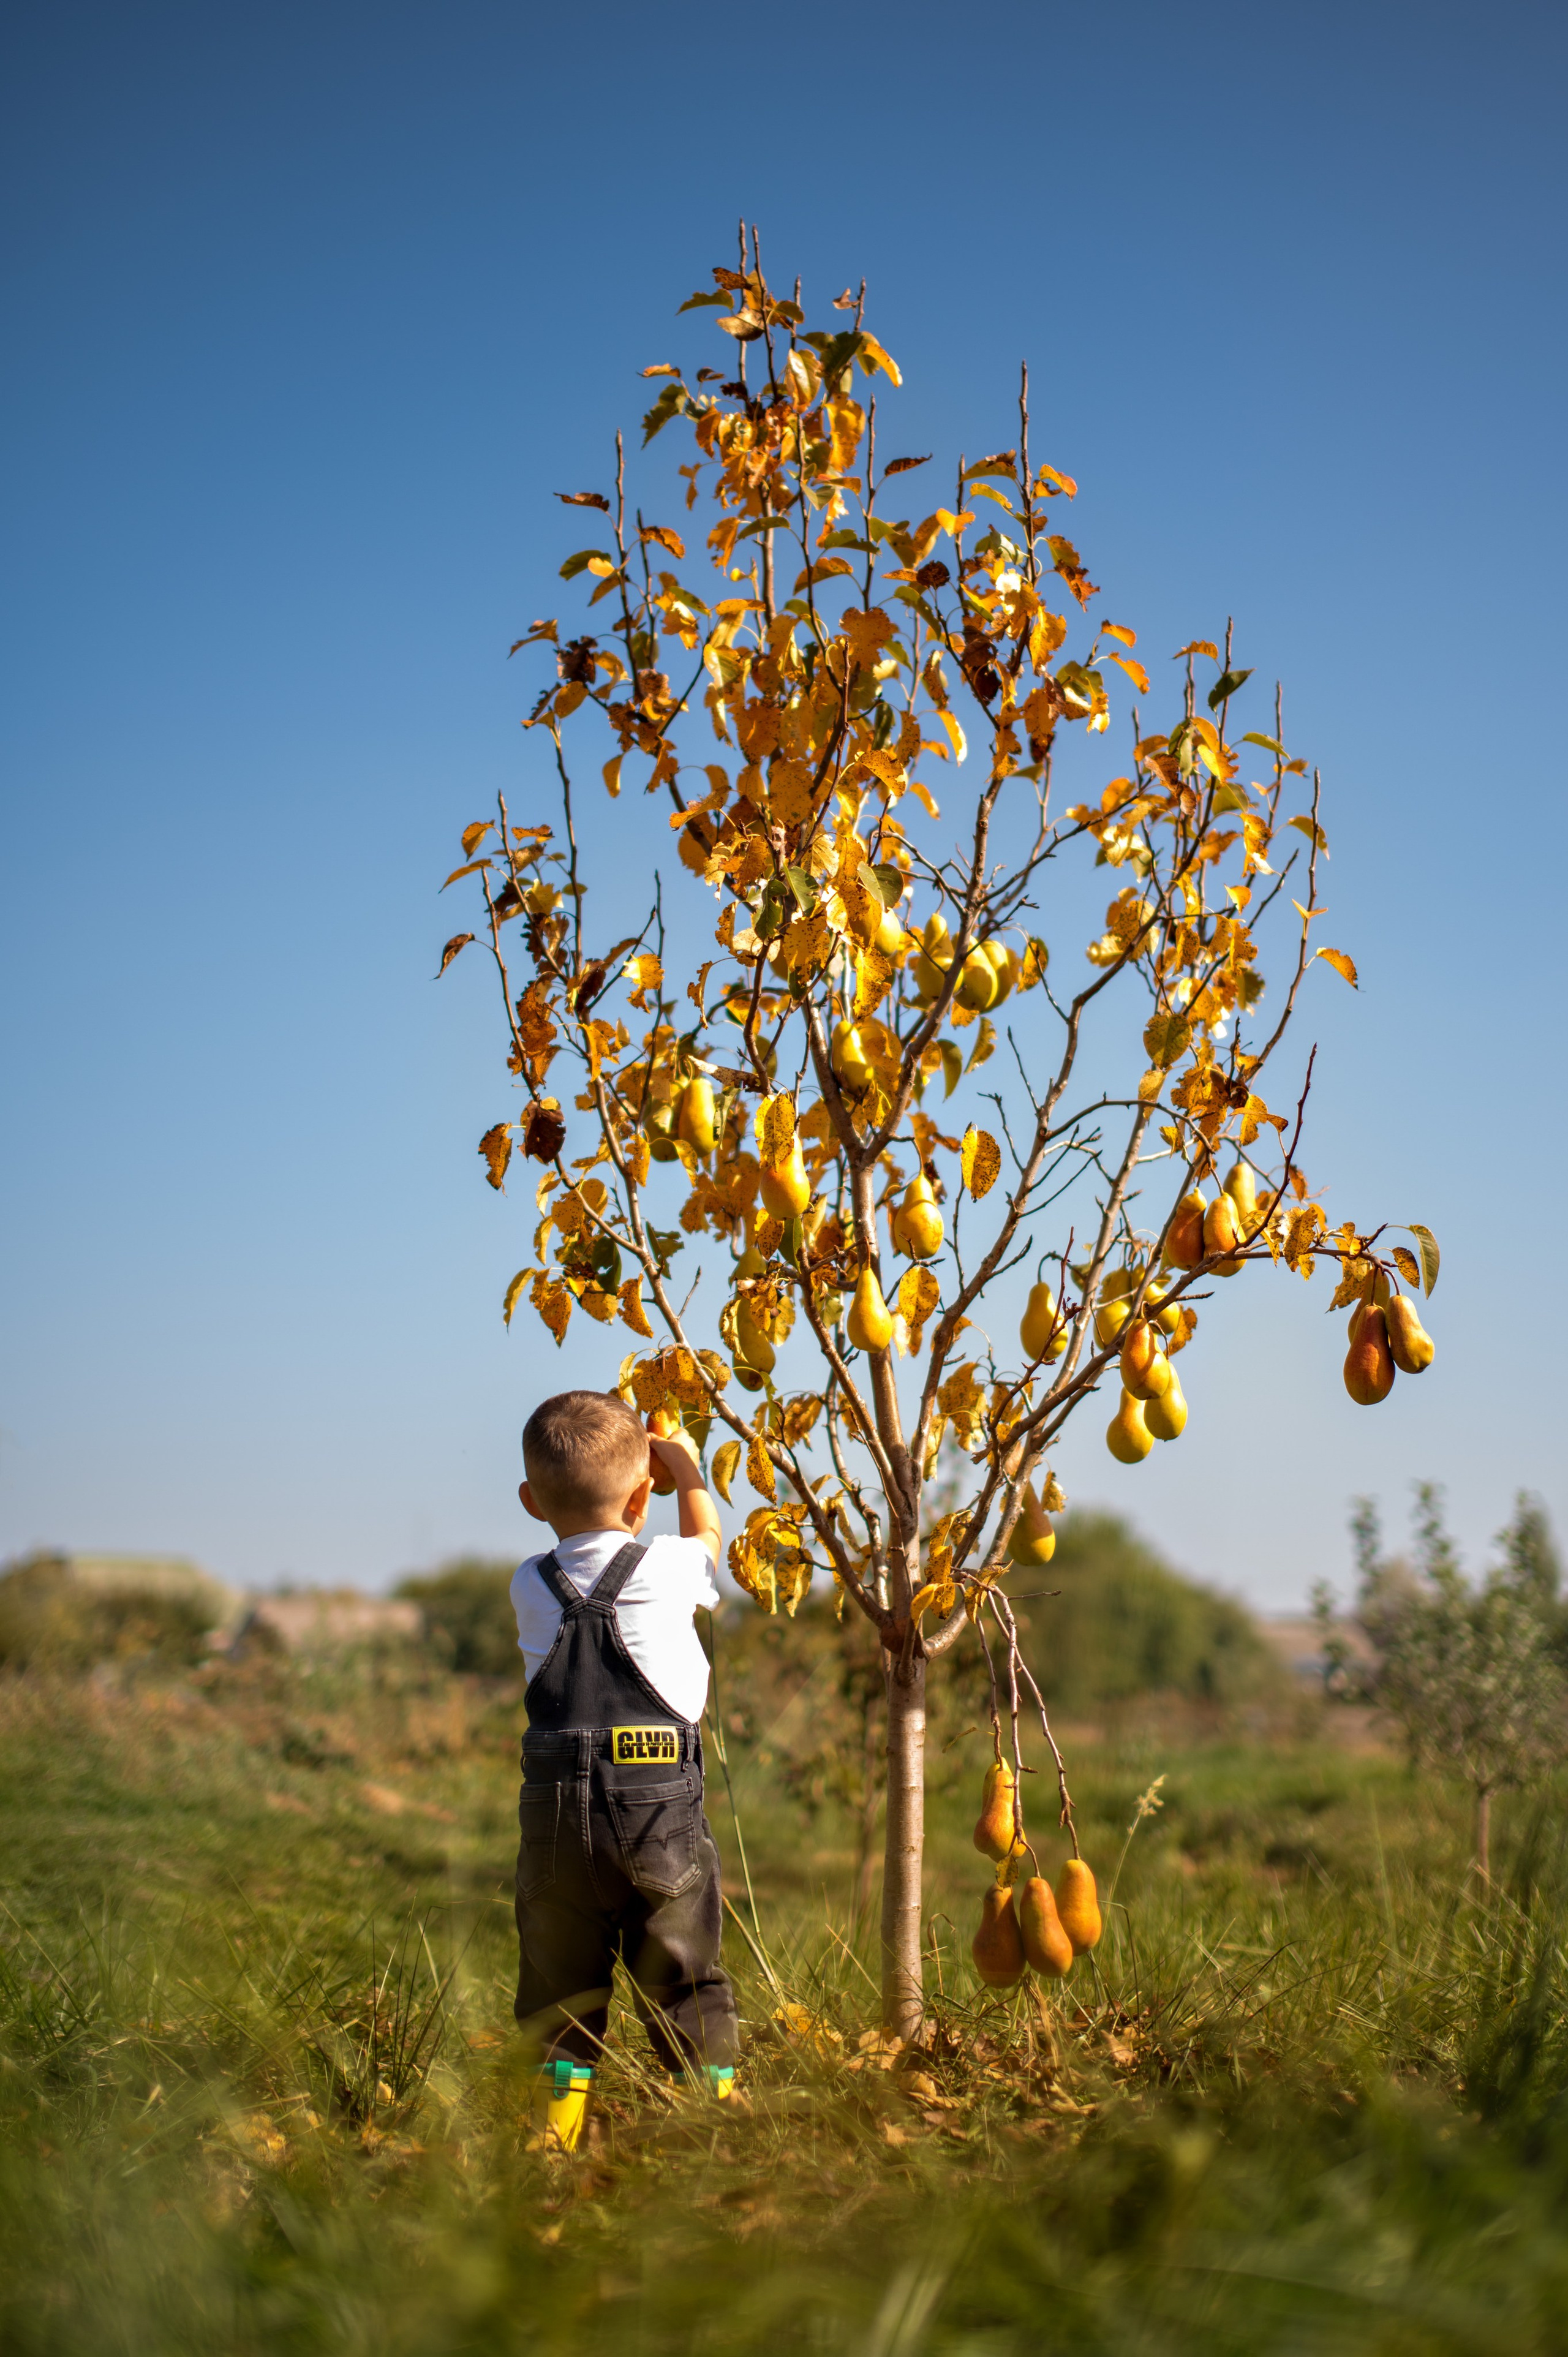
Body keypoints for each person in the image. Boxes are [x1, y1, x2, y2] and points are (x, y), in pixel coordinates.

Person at [509, 1388, 738, 2152]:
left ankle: (555, 2141)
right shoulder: (668, 1565)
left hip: (553, 1822)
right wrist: (686, 1465)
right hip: (655, 1812)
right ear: (644, 1495)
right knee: (684, 1978)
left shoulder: (529, 1583)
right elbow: (708, 1533)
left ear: (529, 1501)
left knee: (560, 1991)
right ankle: (706, 2136)